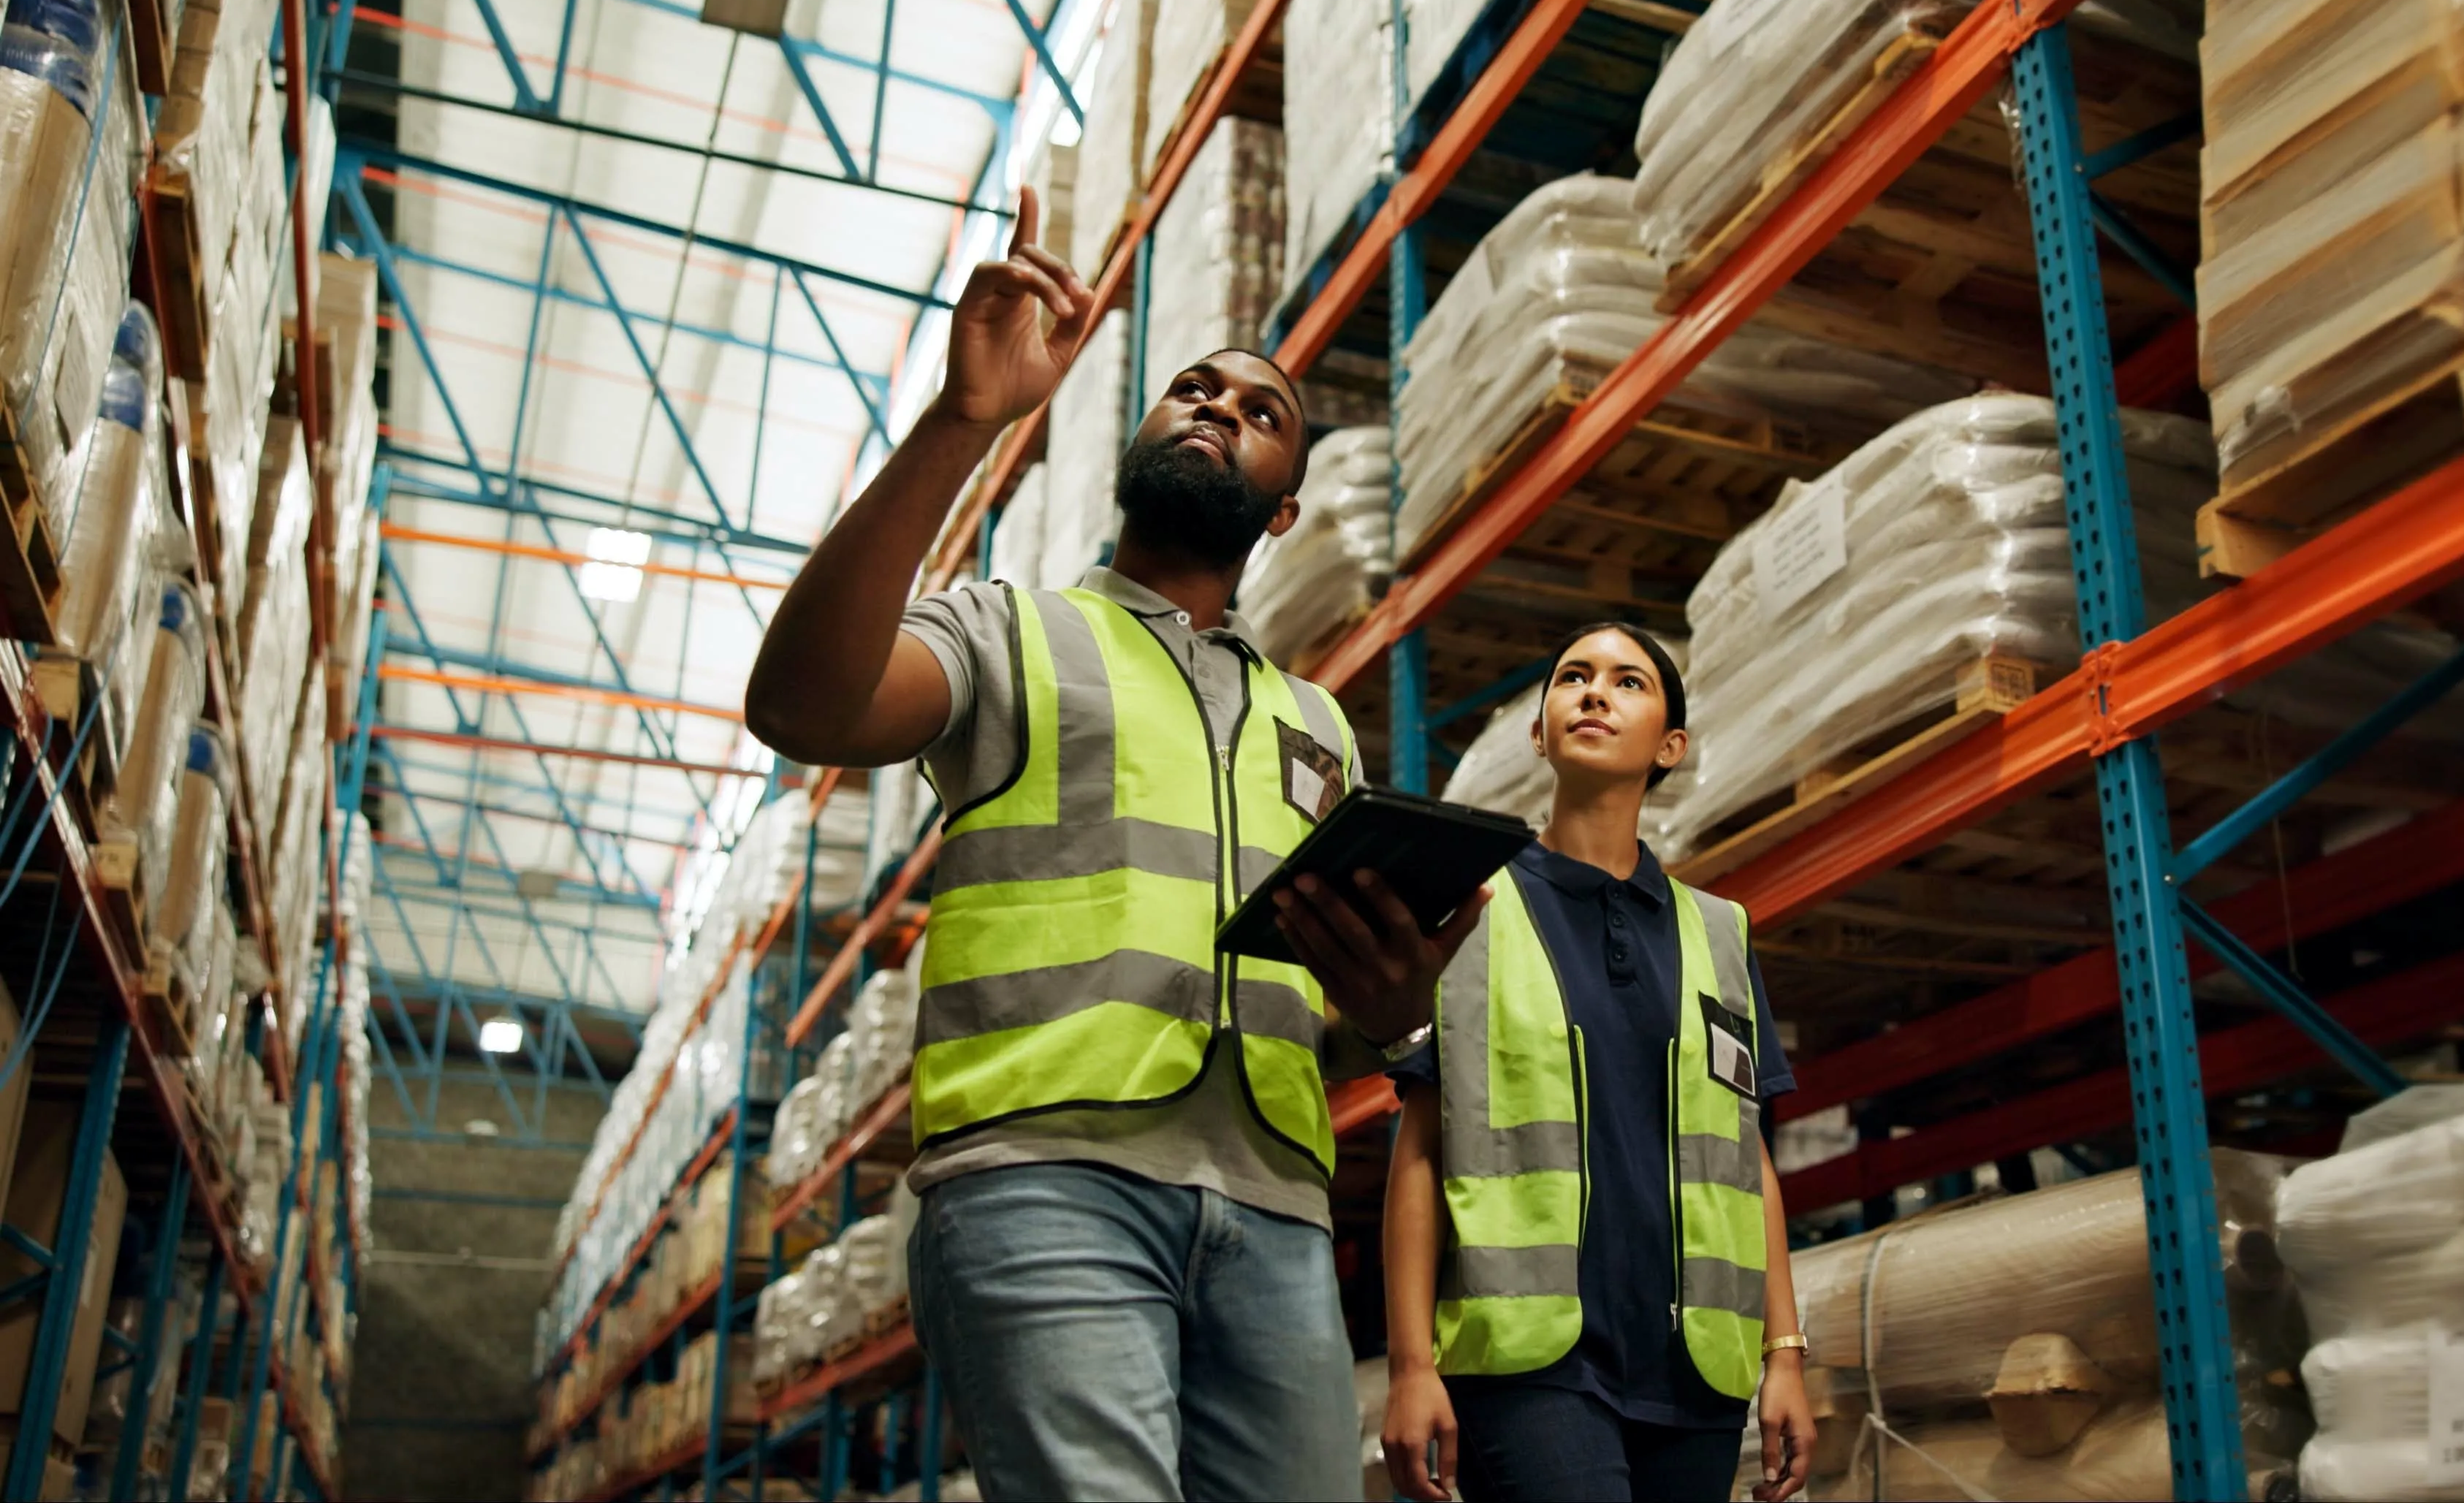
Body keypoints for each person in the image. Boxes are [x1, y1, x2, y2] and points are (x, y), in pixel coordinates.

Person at [742, 189, 1483, 1502]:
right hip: (1044, 1174)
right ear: (1137, 439)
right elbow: (802, 707)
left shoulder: (1314, 725)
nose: (1218, 409)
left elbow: (1369, 1015)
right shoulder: (1007, 631)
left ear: (1286, 512)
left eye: (1261, 415)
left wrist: (1394, 1007)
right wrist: (960, 426)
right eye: (1193, 391)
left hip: (1272, 1201)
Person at [1377, 622, 1819, 1503]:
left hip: (1696, 1374)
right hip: (1530, 1364)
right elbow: (1422, 1147)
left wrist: (1786, 1357)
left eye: (1627, 683)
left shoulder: (1719, 933)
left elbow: (1747, 1161)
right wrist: (1409, 1365)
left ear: (1671, 744)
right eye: (1573, 677)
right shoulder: (1470, 909)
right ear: (1538, 731)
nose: (1593, 692)